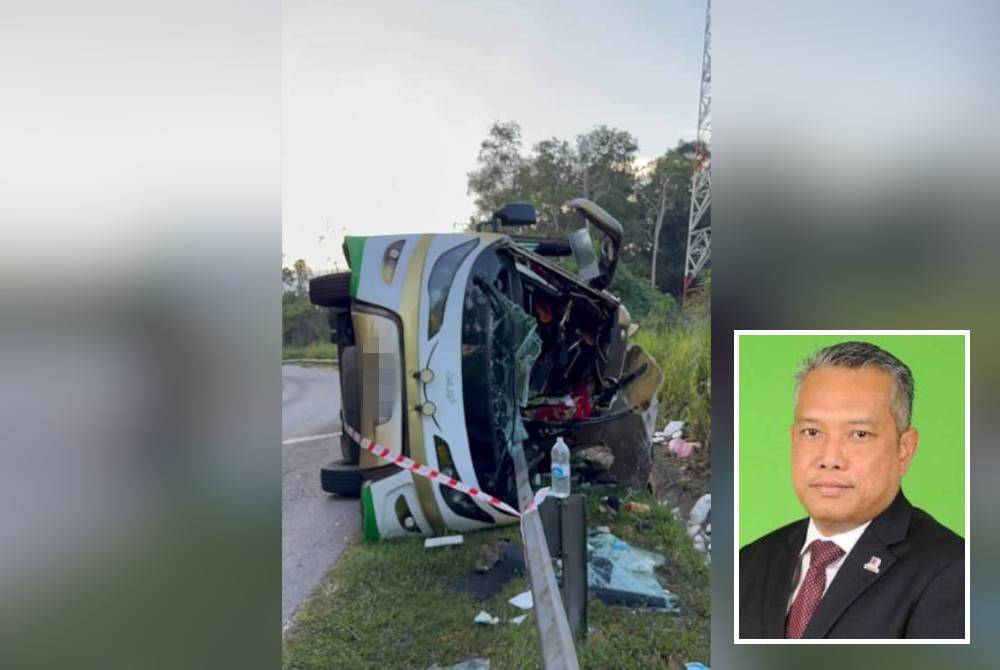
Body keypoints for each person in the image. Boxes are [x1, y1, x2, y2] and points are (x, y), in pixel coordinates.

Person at [739, 341, 964, 639]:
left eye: (859, 434)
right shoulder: (750, 562)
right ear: (793, 438)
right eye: (812, 432)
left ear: (904, 449)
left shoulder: (954, 573)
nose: (829, 459)